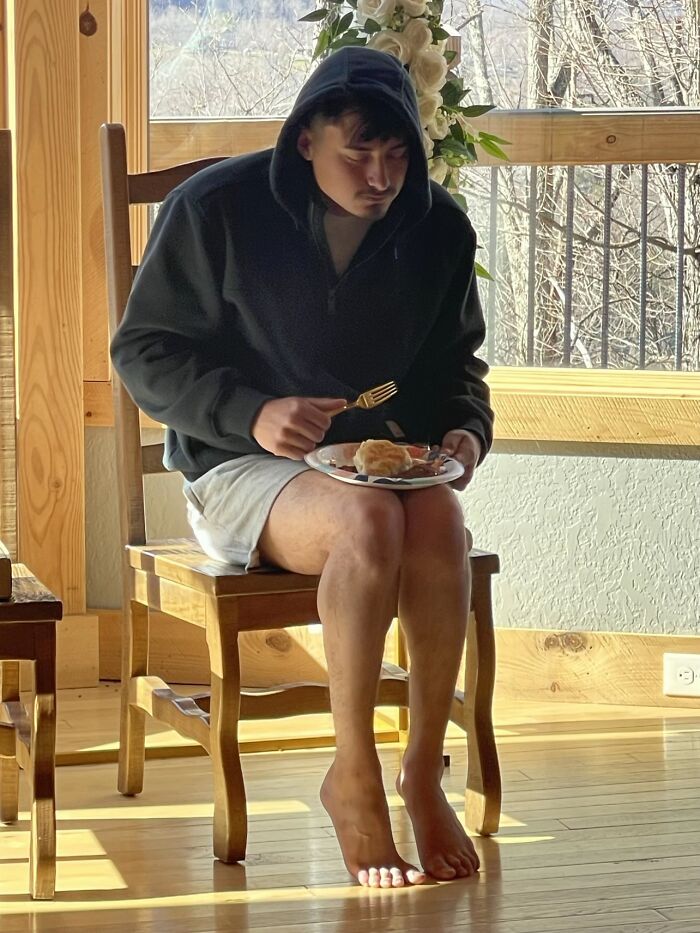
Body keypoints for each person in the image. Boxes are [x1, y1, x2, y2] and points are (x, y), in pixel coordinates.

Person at [111, 45, 494, 889]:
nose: (380, 176)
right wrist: (249, 410)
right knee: (369, 519)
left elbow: (456, 370)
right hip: (236, 466)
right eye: (358, 152)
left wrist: (465, 431)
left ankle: (421, 773)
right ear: (305, 139)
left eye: (397, 155)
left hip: (378, 468)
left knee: (441, 515)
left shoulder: (437, 228)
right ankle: (352, 775)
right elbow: (141, 352)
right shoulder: (213, 209)